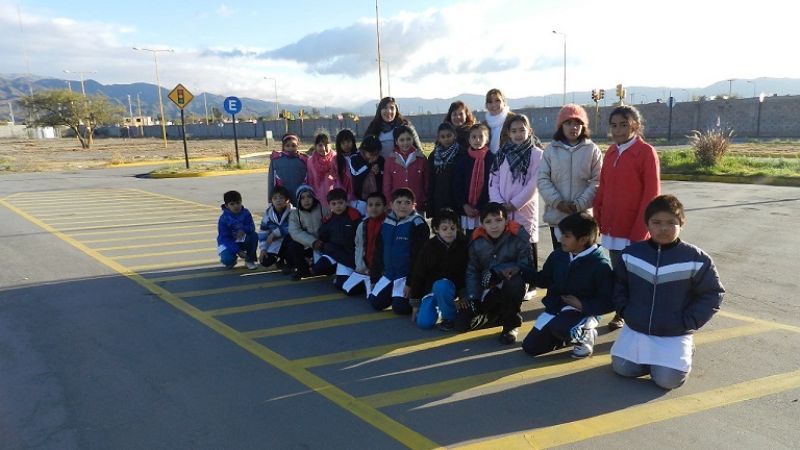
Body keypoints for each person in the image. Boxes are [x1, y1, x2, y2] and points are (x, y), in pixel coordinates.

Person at [611, 195, 724, 390]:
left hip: (674, 333)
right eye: (656, 222)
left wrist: (687, 321)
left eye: (671, 223)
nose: (663, 228)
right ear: (647, 224)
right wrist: (626, 311)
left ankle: (683, 351)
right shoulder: (631, 254)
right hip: (637, 328)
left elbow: (712, 294)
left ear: (681, 224)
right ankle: (652, 362)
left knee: (667, 381)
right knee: (623, 369)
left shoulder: (697, 259)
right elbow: (618, 286)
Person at [593, 105, 660, 330]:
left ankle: (633, 313)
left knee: (634, 276)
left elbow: (651, 194)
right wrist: (598, 214)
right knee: (618, 273)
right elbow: (603, 187)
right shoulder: (611, 152)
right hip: (613, 227)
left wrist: (640, 229)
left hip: (633, 228)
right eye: (614, 125)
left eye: (624, 125)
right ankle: (621, 310)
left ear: (635, 126)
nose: (618, 130)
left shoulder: (645, 152)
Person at [516, 212, 614, 358]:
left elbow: (609, 301)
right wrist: (520, 271)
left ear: (583, 240)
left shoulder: (600, 265)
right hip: (557, 308)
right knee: (530, 347)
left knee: (561, 326)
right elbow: (544, 279)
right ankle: (568, 334)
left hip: (583, 311)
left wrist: (582, 305)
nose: (560, 239)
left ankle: (585, 334)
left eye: (567, 236)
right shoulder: (558, 256)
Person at [459, 202, 532, 344]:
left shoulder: (518, 236)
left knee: (514, 281)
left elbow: (526, 266)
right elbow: (472, 271)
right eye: (488, 222)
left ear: (506, 220)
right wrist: (473, 297)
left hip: (511, 283)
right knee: (462, 323)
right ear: (482, 224)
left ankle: (510, 325)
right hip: (487, 287)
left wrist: (497, 272)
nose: (494, 226)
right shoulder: (477, 241)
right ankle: (496, 315)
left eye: (498, 220)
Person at [537, 104, 603, 250]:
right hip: (557, 218)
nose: (573, 127)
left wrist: (579, 204)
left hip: (583, 218)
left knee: (583, 258)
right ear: (561, 126)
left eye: (578, 123)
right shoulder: (551, 150)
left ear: (583, 126)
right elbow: (543, 179)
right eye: (568, 123)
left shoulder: (592, 150)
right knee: (561, 257)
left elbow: (598, 180)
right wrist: (558, 202)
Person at [489, 114, 544, 272]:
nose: (518, 134)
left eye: (522, 130)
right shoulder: (502, 153)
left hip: (524, 210)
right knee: (507, 250)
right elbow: (493, 180)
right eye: (514, 131)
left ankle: (531, 281)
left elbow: (533, 184)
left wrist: (515, 204)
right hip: (503, 210)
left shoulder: (537, 154)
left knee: (527, 247)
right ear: (508, 133)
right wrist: (499, 204)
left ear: (530, 131)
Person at [368, 188, 430, 314]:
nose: (403, 206)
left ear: (414, 205)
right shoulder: (386, 223)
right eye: (399, 202)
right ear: (391, 205)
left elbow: (419, 258)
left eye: (407, 202)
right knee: (375, 303)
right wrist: (374, 278)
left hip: (406, 276)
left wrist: (410, 283)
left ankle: (421, 295)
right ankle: (394, 294)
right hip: (389, 274)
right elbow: (379, 252)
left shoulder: (418, 224)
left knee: (400, 309)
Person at [407, 208, 469, 331]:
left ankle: (449, 318)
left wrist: (464, 294)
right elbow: (418, 274)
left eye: (453, 228)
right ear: (436, 229)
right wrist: (416, 304)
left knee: (442, 286)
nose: (449, 232)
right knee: (424, 323)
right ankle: (441, 307)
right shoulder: (429, 247)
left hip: (456, 288)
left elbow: (470, 271)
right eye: (444, 229)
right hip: (432, 290)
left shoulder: (465, 244)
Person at [311, 188, 363, 291]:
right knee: (317, 268)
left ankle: (347, 273)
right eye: (333, 204)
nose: (337, 206)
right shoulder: (328, 219)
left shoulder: (354, 217)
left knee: (341, 285)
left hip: (349, 255)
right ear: (329, 205)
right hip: (334, 253)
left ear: (346, 202)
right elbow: (323, 237)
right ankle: (337, 269)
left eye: (340, 203)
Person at [453, 123, 495, 236]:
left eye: (481, 136)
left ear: (487, 139)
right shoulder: (463, 160)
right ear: (469, 140)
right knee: (469, 237)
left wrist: (480, 206)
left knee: (486, 237)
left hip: (486, 209)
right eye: (474, 137)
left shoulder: (491, 159)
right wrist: (464, 204)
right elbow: (457, 184)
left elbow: (492, 185)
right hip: (467, 210)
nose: (477, 140)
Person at [343, 191, 387, 296]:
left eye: (378, 205)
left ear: (385, 207)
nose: (374, 208)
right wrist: (361, 267)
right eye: (370, 205)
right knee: (346, 289)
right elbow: (358, 247)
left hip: (381, 270)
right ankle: (367, 283)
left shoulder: (388, 225)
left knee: (374, 297)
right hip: (365, 269)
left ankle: (376, 285)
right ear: (366, 207)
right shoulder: (363, 225)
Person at [383, 124, 429, 215]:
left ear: (413, 139)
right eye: (402, 140)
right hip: (397, 206)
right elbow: (387, 185)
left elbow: (427, 181)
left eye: (408, 139)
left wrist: (425, 199)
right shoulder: (390, 160)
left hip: (417, 204)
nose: (405, 143)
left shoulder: (421, 158)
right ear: (396, 141)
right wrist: (389, 203)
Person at [286, 185, 324, 280]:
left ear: (314, 198)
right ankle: (302, 270)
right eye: (302, 198)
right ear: (299, 200)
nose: (306, 200)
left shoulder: (323, 210)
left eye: (309, 197)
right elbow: (295, 232)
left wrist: (321, 241)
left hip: (322, 244)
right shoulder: (294, 214)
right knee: (293, 244)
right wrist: (313, 242)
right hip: (308, 245)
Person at [426, 122, 464, 217]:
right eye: (443, 137)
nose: (446, 139)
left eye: (449, 135)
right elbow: (431, 181)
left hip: (456, 199)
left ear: (454, 135)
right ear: (439, 138)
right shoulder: (434, 156)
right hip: (439, 199)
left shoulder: (461, 153)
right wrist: (430, 204)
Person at [216, 190, 258, 270]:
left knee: (254, 236)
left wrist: (243, 229)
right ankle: (230, 260)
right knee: (228, 260)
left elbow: (251, 227)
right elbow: (225, 238)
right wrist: (237, 251)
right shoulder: (224, 219)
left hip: (242, 238)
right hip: (228, 242)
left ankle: (249, 260)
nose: (236, 206)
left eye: (238, 203)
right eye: (232, 204)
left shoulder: (246, 213)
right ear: (226, 205)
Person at [258, 185, 295, 273]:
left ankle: (289, 263)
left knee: (291, 245)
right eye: (275, 198)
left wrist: (275, 233)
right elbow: (263, 232)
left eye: (281, 198)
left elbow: (293, 228)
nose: (278, 200)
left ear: (287, 200)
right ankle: (279, 260)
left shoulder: (293, 212)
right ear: (271, 201)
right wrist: (263, 249)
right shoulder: (268, 214)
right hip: (276, 243)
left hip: (290, 241)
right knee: (265, 261)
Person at [349, 135, 384, 216]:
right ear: (364, 150)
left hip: (377, 198)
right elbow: (355, 174)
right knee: (361, 219)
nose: (374, 156)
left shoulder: (381, 159)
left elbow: (384, 175)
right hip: (360, 198)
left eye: (376, 154)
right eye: (371, 153)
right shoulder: (354, 158)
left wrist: (378, 172)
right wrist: (369, 165)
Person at [268, 133, 307, 205]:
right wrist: (270, 200)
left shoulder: (303, 160)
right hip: (282, 199)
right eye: (287, 146)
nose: (290, 148)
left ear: (297, 145)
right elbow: (271, 182)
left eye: (293, 145)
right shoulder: (276, 160)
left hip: (300, 197)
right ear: (283, 146)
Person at [306, 132, 339, 211]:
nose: (323, 148)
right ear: (315, 146)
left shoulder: (336, 158)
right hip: (318, 198)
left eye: (326, 145)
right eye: (320, 145)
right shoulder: (311, 161)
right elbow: (310, 180)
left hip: (335, 198)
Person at [483, 88, 513, 154]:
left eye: (497, 100)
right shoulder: (483, 125)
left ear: (504, 102)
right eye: (490, 102)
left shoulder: (513, 120)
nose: (494, 105)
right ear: (486, 105)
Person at [335, 129, 357, 203]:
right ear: (339, 145)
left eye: (348, 142)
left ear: (353, 142)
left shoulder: (359, 156)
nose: (346, 145)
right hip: (343, 196)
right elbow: (336, 180)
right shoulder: (335, 160)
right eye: (343, 143)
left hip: (358, 195)